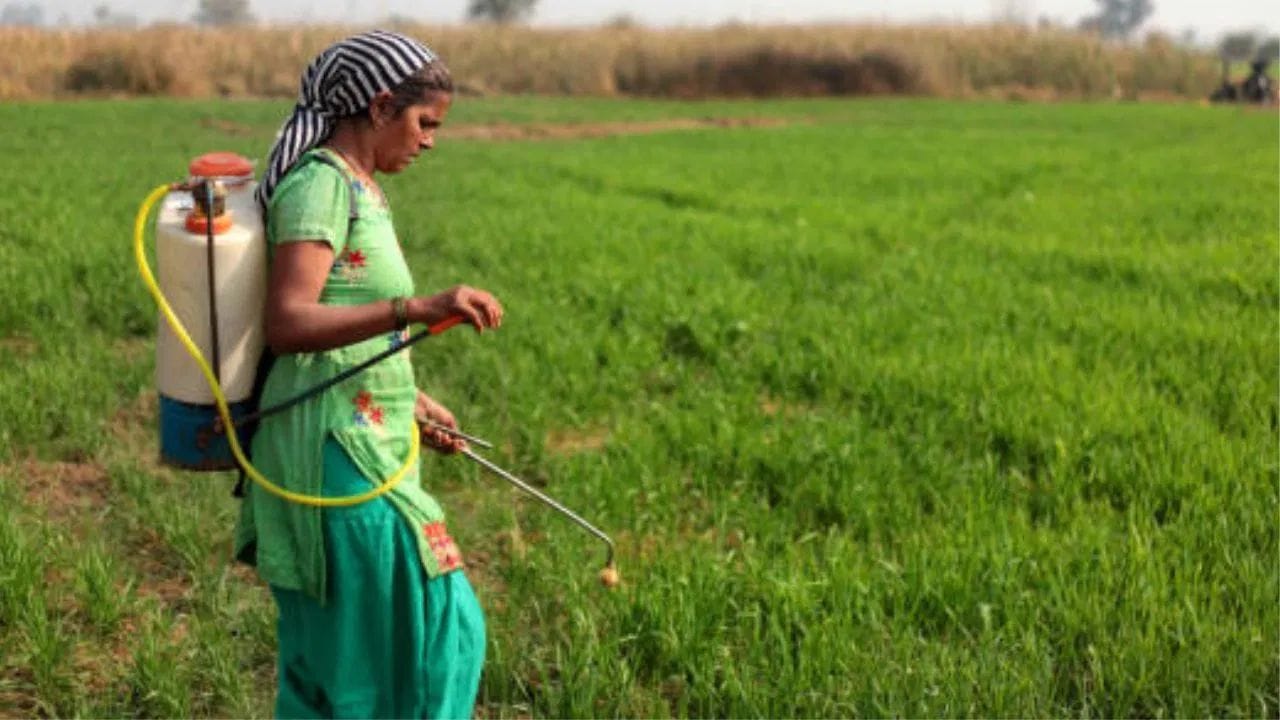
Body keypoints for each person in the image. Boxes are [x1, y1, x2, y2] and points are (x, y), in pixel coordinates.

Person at [233, 30, 503, 719]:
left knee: (342, 664)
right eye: (425, 123)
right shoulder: (320, 186)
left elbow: (340, 321)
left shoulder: (360, 188)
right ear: (382, 106)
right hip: (330, 452)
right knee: (439, 630)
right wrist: (417, 307)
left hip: (361, 433)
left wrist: (411, 400)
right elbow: (291, 323)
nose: (431, 141)